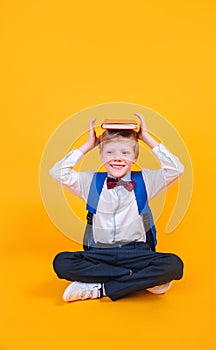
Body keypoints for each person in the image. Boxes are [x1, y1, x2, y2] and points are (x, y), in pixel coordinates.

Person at [50, 113, 184, 302]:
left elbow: (176, 169)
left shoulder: (145, 180)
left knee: (173, 265)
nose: (117, 158)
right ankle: (141, 279)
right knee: (61, 262)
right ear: (101, 155)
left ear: (135, 156)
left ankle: (100, 289)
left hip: (137, 253)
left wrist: (146, 138)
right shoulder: (89, 182)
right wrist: (88, 145)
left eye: (125, 153)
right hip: (99, 254)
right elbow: (58, 172)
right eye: (110, 152)